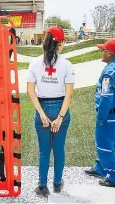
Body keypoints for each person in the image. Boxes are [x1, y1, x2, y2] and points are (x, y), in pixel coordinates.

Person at [26, 26, 75, 196]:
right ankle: (57, 184)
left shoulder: (34, 63)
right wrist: (60, 117)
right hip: (60, 107)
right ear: (60, 44)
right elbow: (69, 95)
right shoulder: (67, 64)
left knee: (44, 151)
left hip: (43, 107)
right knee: (59, 149)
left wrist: (41, 114)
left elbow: (30, 92)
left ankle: (42, 186)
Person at [84, 39, 115, 188]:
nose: (101, 52)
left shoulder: (109, 72)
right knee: (110, 145)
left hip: (110, 116)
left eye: (103, 50)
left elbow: (106, 97)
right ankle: (100, 168)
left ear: (110, 54)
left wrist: (101, 118)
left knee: (103, 148)